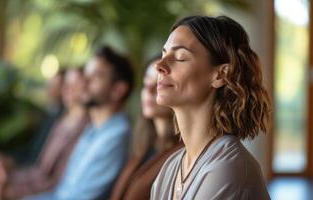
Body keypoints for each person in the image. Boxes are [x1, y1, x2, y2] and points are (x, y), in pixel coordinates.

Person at [151, 16, 271, 200]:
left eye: (180, 57)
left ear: (220, 74)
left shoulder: (230, 168)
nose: (159, 66)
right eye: (164, 54)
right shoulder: (170, 168)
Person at [22, 46, 134, 200]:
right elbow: (61, 193)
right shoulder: (93, 130)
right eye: (86, 75)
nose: (84, 82)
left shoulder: (116, 135)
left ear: (118, 90)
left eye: (95, 76)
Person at [0, 68, 89, 200]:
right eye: (66, 85)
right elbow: (38, 162)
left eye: (75, 85)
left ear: (86, 87)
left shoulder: (85, 129)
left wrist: (12, 174)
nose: (67, 90)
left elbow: (52, 178)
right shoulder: (60, 121)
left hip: (41, 186)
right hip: (32, 177)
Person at [110, 56, 182, 200]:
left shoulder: (183, 153)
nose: (148, 91)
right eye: (146, 83)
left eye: (158, 84)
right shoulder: (142, 146)